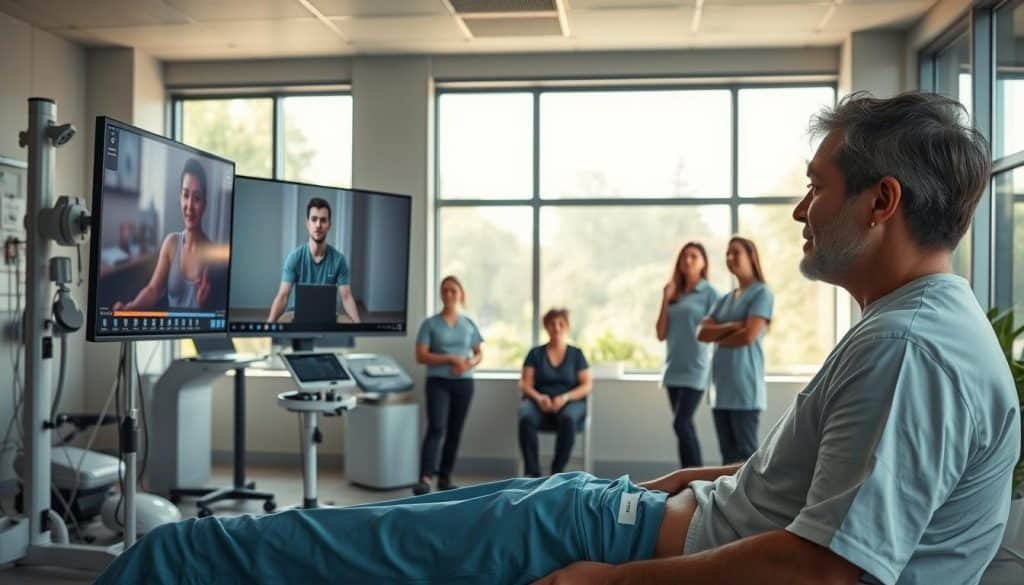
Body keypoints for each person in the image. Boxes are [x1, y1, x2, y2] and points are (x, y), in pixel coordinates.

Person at [96, 93, 1020, 585]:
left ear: (883, 200)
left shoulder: (913, 352)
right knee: (358, 526)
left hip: (608, 537)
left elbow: (825, 570)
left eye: (818, 186)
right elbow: (800, 504)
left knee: (334, 548)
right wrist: (685, 481)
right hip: (624, 508)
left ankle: (158, 566)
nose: (800, 208)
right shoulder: (921, 329)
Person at [697, 236, 772, 464]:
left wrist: (718, 335)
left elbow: (748, 336)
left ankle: (750, 501)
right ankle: (728, 501)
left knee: (745, 458)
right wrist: (732, 326)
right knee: (727, 458)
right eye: (727, 254)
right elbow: (701, 333)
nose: (730, 258)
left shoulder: (762, 293)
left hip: (744, 390)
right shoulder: (726, 299)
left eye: (735, 252)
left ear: (751, 256)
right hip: (720, 390)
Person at [412, 275, 484, 495]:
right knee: (436, 427)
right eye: (445, 290)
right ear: (441, 294)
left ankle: (445, 478)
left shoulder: (469, 324)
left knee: (455, 430)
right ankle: (425, 478)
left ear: (461, 294)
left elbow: (479, 354)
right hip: (438, 383)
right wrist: (450, 359)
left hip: (464, 383)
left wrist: (468, 363)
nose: (449, 294)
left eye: (454, 290)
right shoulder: (430, 324)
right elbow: (421, 356)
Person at [112, 159, 214, 311]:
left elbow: (215, 312)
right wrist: (129, 308)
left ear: (204, 204)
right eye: (186, 195)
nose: (189, 206)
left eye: (197, 198)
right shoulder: (171, 243)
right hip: (170, 332)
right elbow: (153, 290)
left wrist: (204, 305)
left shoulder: (213, 254)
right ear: (180, 197)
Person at [655, 242, 720, 468]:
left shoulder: (710, 293)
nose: (688, 260)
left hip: (697, 367)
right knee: (683, 427)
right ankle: (688, 478)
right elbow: (660, 334)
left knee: (681, 423)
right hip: (673, 368)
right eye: (684, 256)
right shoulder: (673, 293)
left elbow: (718, 329)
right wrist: (665, 298)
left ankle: (695, 477)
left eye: (694, 256)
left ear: (703, 263)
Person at [518, 308, 593, 477]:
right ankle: (533, 475)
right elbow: (525, 384)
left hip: (570, 403)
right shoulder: (535, 354)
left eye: (561, 324)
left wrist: (565, 397)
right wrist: (539, 398)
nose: (556, 328)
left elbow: (586, 385)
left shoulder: (576, 354)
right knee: (525, 417)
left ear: (567, 327)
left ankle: (556, 473)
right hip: (539, 403)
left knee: (568, 418)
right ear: (546, 327)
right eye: (552, 324)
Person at [266, 197, 361, 323]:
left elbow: (346, 297)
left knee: (350, 324)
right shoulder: (294, 257)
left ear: (329, 225)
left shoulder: (339, 260)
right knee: (281, 322)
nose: (318, 225)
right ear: (308, 223)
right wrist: (269, 323)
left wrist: (358, 324)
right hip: (296, 312)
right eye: (314, 219)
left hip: (330, 314)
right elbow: (283, 296)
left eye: (323, 220)